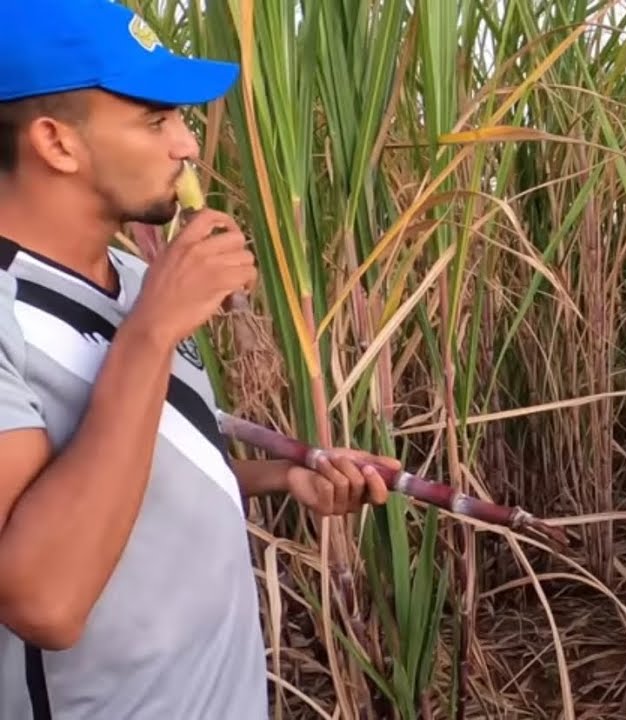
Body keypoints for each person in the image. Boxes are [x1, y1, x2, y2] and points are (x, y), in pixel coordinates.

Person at [0, 2, 402, 719]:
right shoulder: (27, 312)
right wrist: (152, 332)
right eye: (157, 120)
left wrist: (280, 476)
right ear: (57, 143)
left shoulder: (131, 278)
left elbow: (125, 464)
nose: (189, 145)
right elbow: (44, 600)